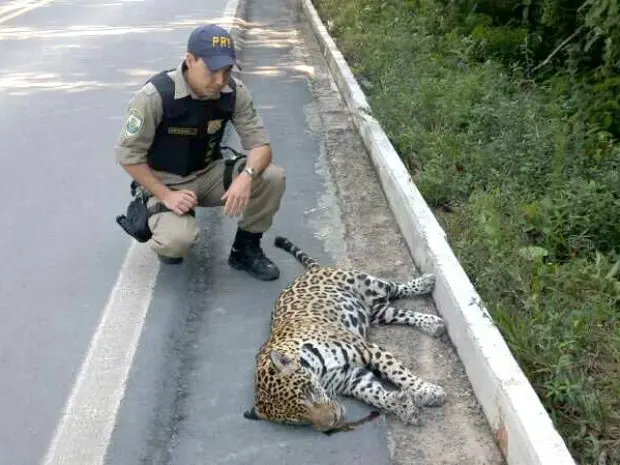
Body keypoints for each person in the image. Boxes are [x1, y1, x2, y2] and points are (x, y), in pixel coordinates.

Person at [114, 24, 285, 281]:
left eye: (227, 71)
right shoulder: (156, 96)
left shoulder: (233, 92)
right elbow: (128, 156)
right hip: (164, 181)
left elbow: (261, 146)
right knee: (176, 242)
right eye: (212, 70)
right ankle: (166, 218)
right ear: (190, 60)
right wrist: (166, 195)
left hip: (208, 173)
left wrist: (247, 176)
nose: (220, 80)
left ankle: (245, 250)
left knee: (271, 177)